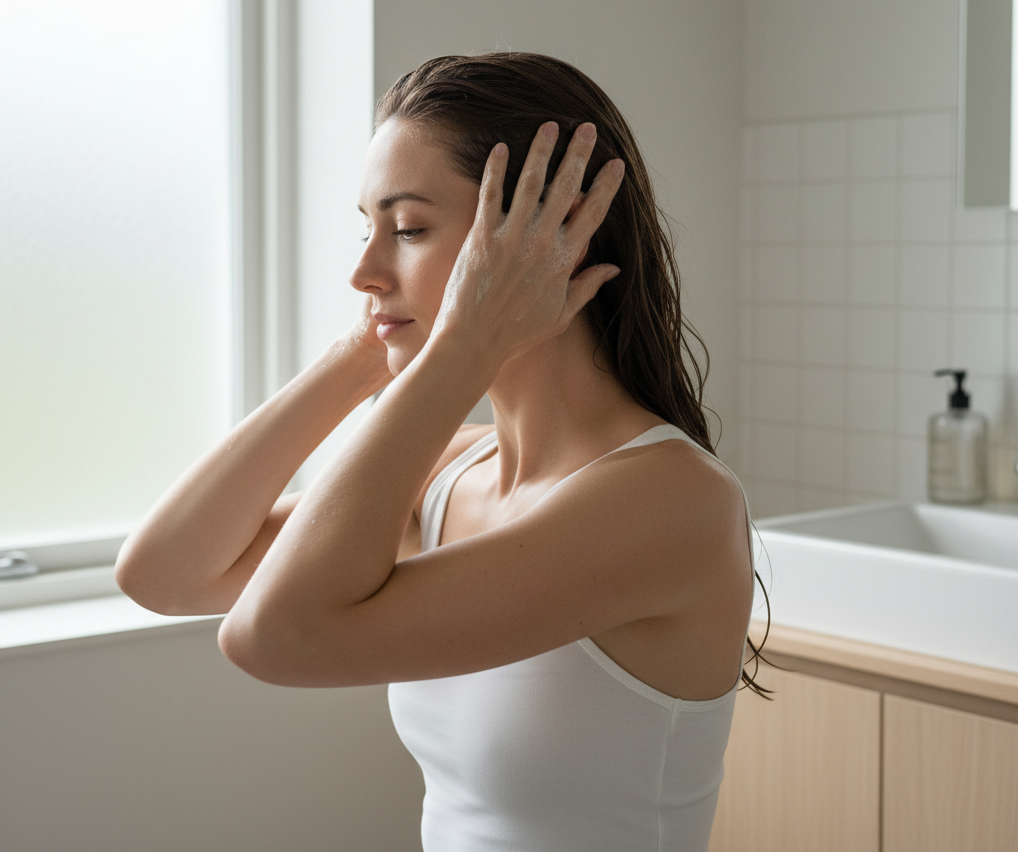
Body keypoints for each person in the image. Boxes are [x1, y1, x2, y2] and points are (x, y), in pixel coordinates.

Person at [116, 52, 763, 852]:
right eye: (367, 228)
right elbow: (164, 574)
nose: (364, 270)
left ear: (551, 240)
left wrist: (458, 349)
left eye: (410, 228)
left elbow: (272, 638)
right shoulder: (451, 470)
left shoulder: (668, 499)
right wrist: (359, 357)